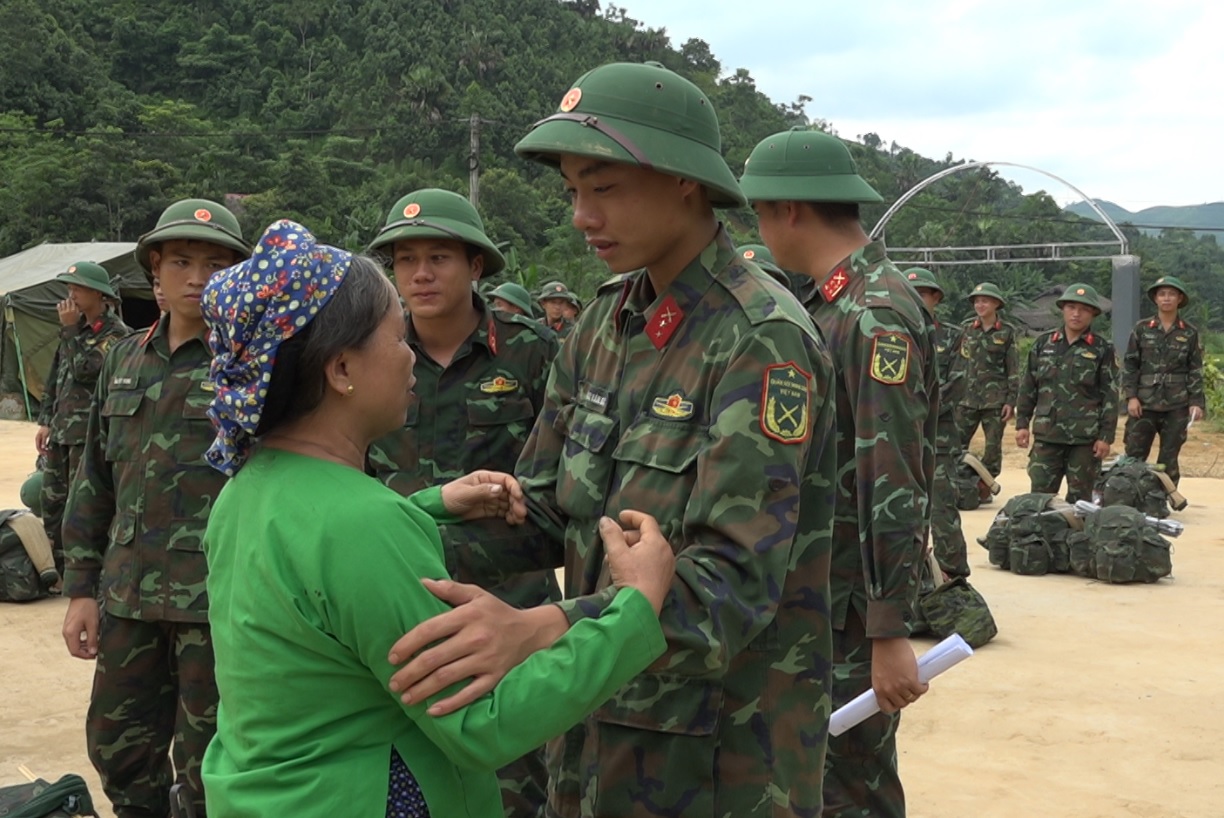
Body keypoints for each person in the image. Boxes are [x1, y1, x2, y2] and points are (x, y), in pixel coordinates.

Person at [385, 62, 837, 817]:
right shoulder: (603, 324)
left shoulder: (760, 341)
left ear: (685, 180)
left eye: (604, 188)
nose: (581, 217)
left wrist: (541, 627)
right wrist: (393, 534)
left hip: (718, 754)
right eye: (572, 192)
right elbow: (546, 512)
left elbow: (730, 585)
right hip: (599, 726)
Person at [198, 219, 673, 818]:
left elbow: (315, 564)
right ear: (341, 370)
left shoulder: (248, 488)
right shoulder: (361, 526)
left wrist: (430, 504)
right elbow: (481, 724)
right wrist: (634, 607)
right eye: (398, 340)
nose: (410, 362)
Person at [740, 126, 937, 818]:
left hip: (853, 612)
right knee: (817, 778)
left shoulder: (872, 314)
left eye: (760, 213)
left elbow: (891, 478)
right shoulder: (830, 303)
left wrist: (889, 633)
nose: (760, 232)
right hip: (826, 597)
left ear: (789, 209)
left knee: (850, 785)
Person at [364, 188, 561, 817]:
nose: (420, 274)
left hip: (513, 606)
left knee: (518, 786)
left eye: (439, 257)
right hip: (402, 599)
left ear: (475, 265)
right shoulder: (367, 354)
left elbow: (562, 480)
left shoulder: (533, 351)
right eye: (406, 259)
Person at [60, 199, 250, 818]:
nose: (198, 278)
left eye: (217, 265)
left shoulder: (248, 367)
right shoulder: (122, 359)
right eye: (183, 263)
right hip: (128, 598)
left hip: (214, 604)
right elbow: (93, 479)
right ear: (155, 274)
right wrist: (82, 589)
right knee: (118, 748)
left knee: (210, 761)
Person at [34, 261, 130, 573]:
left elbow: (86, 370)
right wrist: (45, 420)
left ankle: (84, 570)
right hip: (62, 431)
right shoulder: (71, 329)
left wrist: (71, 329)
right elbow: (56, 376)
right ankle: (57, 571)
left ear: (99, 294)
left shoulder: (117, 334)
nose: (70, 294)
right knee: (52, 502)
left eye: (78, 288)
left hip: (87, 436)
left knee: (82, 506)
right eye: (69, 288)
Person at [1015, 283, 1118, 502]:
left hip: (1084, 439)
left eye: (1084, 309)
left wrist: (1106, 437)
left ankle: (1076, 537)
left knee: (1079, 501)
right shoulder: (1043, 344)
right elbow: (1028, 386)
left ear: (1093, 314)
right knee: (1040, 498)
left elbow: (1110, 394)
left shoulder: (1101, 349)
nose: (1076, 313)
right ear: (1063, 309)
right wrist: (1022, 424)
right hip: (1047, 436)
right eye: (1071, 307)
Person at [905, 268, 970, 579]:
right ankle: (912, 576)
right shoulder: (889, 333)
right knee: (902, 512)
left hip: (938, 438)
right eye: (910, 293)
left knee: (942, 510)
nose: (916, 300)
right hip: (898, 440)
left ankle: (954, 574)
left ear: (936, 299)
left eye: (922, 294)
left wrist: (914, 411)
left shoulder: (954, 337)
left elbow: (958, 384)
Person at [1121, 275, 1205, 485]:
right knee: (1134, 453)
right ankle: (1130, 496)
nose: (1166, 298)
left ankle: (1161, 499)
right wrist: (1131, 397)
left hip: (1177, 404)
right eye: (1162, 294)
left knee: (1169, 457)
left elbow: (1195, 369)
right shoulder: (1142, 329)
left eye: (1171, 294)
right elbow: (1130, 365)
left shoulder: (1189, 332)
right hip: (1144, 402)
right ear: (1156, 299)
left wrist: (1196, 402)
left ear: (1179, 299)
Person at [956, 282, 1019, 497]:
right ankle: (959, 481)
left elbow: (1013, 369)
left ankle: (985, 486)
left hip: (995, 401)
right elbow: (957, 363)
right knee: (956, 443)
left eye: (985, 301)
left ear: (996, 304)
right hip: (966, 398)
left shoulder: (1007, 333)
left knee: (992, 449)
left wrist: (1011, 401)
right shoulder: (965, 329)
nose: (980, 305)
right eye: (977, 301)